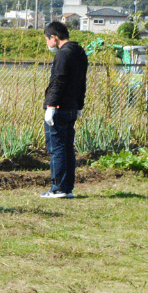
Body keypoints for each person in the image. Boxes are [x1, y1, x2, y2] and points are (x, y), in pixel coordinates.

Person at [41, 21, 88, 199]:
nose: (48, 43)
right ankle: (67, 188)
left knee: (57, 148)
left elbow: (58, 81)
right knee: (68, 147)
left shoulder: (63, 54)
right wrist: (79, 105)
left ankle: (58, 188)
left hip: (59, 108)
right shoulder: (79, 52)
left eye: (48, 39)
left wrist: (51, 105)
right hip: (72, 107)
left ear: (54, 37)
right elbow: (82, 81)